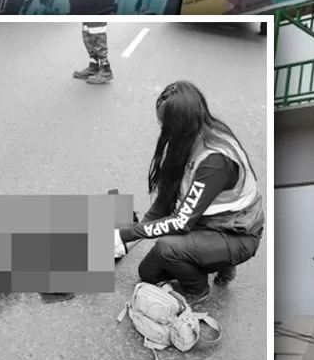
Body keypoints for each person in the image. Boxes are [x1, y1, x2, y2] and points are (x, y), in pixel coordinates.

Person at [113, 80, 264, 307]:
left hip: (236, 234)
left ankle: (198, 290)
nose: (163, 131)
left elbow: (181, 222)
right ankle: (217, 262)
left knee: (167, 248)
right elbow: (164, 202)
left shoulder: (214, 160)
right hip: (209, 222)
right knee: (148, 273)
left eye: (165, 126)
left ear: (179, 125)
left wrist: (125, 235)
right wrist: (128, 239)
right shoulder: (188, 140)